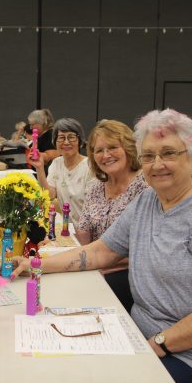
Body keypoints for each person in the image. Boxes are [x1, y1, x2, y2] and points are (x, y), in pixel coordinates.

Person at [12, 109, 192, 383]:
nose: (157, 164)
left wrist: (157, 345)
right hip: (145, 337)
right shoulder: (148, 200)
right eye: (148, 156)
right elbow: (102, 251)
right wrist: (36, 265)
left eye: (169, 153)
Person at [74, 119, 148, 310]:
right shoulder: (95, 188)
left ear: (128, 149)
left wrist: (99, 262)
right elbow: (84, 236)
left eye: (113, 147)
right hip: (95, 267)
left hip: (131, 277)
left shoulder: (146, 187)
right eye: (98, 150)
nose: (106, 155)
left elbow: (147, 251)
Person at [27, 118, 95, 225]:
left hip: (87, 230)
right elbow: (50, 195)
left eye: (71, 137)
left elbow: (93, 208)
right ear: (55, 142)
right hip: (67, 228)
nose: (66, 142)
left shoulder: (90, 166)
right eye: (61, 138)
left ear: (80, 142)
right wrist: (39, 168)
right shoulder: (56, 163)